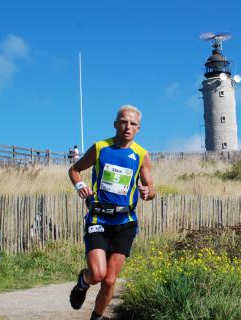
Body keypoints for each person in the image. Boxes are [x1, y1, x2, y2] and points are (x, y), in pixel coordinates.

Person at [68, 105, 156, 320]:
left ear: (138, 129)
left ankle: (96, 317)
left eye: (133, 124)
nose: (128, 127)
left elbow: (151, 189)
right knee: (98, 275)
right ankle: (84, 281)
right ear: (115, 124)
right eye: (123, 122)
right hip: (98, 218)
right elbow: (74, 170)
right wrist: (80, 186)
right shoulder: (100, 148)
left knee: (109, 280)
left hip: (125, 222)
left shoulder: (141, 155)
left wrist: (147, 192)